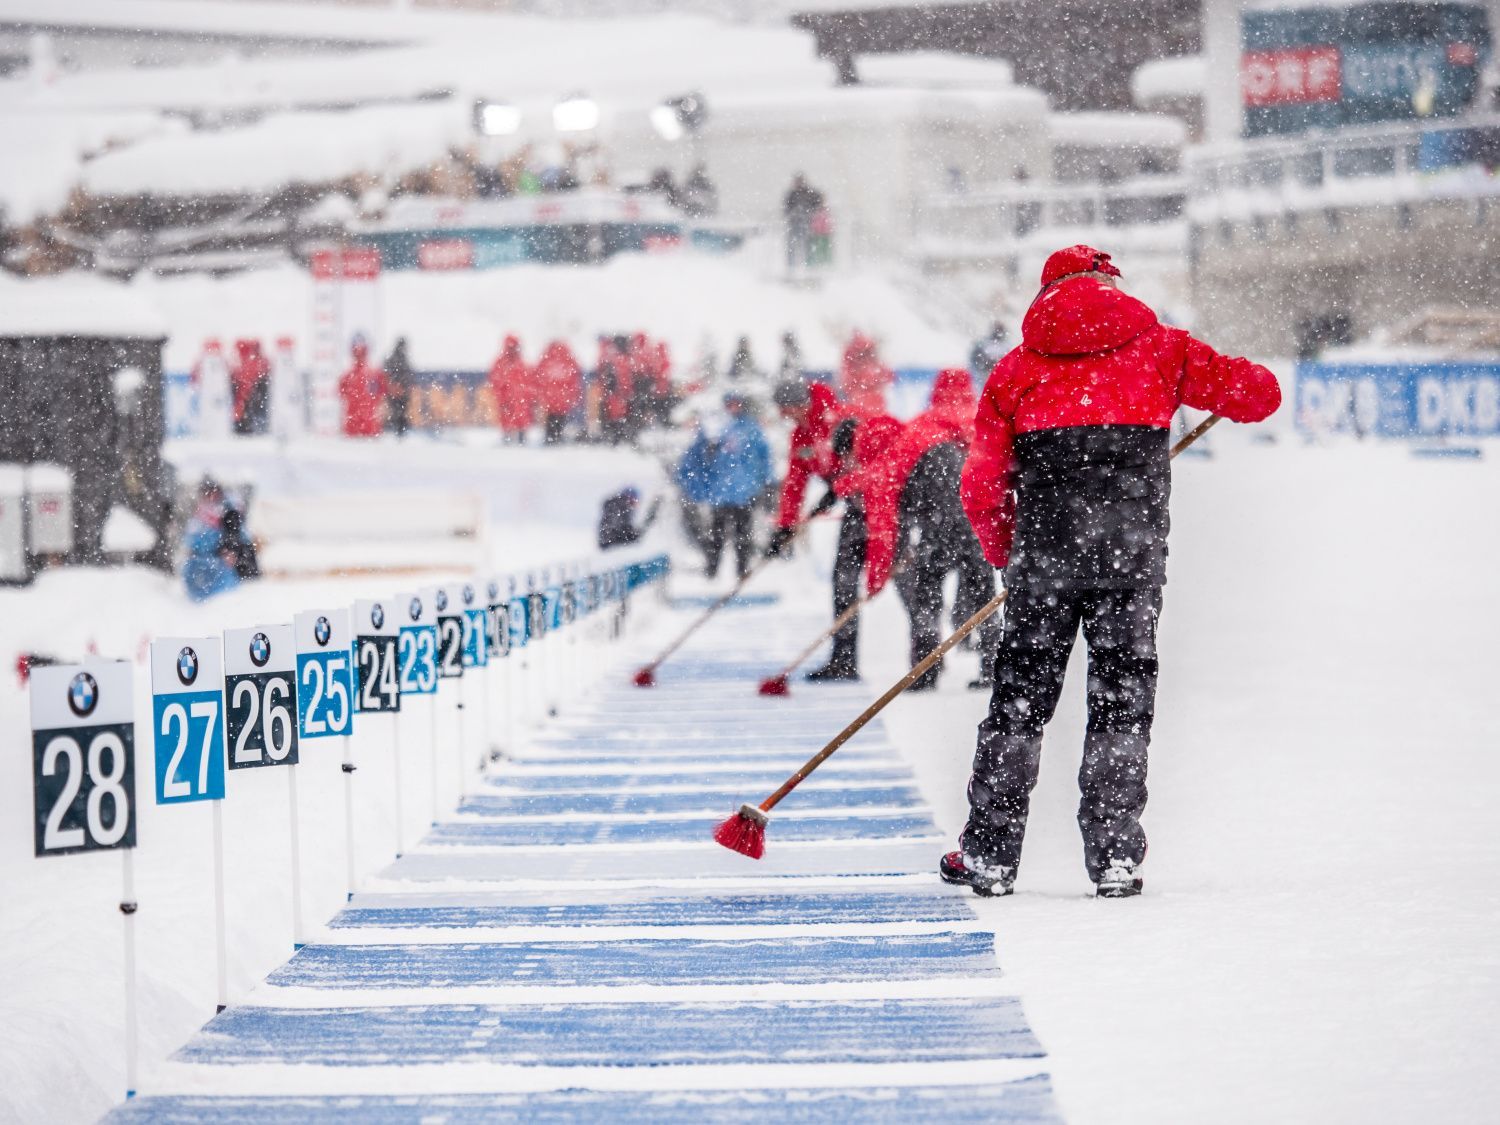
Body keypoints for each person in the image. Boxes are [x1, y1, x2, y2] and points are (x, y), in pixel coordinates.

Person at [943, 245, 1282, 900]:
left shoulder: (1015, 371)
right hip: (1129, 560)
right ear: (1109, 285)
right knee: (1121, 701)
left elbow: (982, 485)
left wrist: (1005, 549)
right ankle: (1114, 853)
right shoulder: (1161, 349)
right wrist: (1240, 382)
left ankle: (989, 852)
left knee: (1019, 703)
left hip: (1043, 558)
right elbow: (1260, 395)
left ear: (1045, 296)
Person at [861, 369, 996, 691]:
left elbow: (884, 515)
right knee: (983, 596)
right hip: (978, 521)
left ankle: (926, 668)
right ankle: (993, 665)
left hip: (939, 526)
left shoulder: (919, 429)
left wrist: (878, 575)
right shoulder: (983, 422)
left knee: (925, 595)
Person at [767, 380, 863, 680]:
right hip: (854, 510)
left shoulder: (844, 419)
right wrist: (785, 526)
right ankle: (844, 660)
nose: (787, 417)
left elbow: (867, 461)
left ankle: (929, 655)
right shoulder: (801, 437)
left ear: (802, 403)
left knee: (908, 585)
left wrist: (842, 487)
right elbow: (795, 483)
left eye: (789, 410)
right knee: (843, 582)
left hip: (881, 502)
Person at [676, 393, 772, 579]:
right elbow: (698, 456)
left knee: (743, 533)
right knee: (716, 534)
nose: (733, 407)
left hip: (744, 491)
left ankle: (742, 570)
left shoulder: (751, 428)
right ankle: (712, 569)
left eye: (737, 403)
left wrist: (766, 481)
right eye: (730, 404)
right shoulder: (717, 427)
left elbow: (764, 456)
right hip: (720, 492)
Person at [181, 478, 254, 601]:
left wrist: (229, 550)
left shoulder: (229, 511)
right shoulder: (200, 513)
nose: (209, 496)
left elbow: (235, 535)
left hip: (220, 563)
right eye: (206, 493)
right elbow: (191, 537)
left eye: (212, 492)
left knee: (222, 595)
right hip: (202, 561)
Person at [534, 340, 583, 444]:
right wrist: (573, 394)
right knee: (560, 418)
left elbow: (538, 377)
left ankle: (551, 437)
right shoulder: (568, 359)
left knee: (551, 418)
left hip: (550, 397)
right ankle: (557, 436)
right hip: (563, 397)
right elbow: (575, 378)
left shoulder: (547, 359)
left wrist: (541, 395)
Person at [338, 337, 388, 438]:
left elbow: (382, 394)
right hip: (356, 427)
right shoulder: (349, 375)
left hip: (368, 427)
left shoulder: (374, 374)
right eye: (357, 353)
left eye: (361, 353)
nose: (359, 356)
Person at [488, 335, 534, 442]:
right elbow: (496, 382)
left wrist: (528, 396)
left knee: (520, 421)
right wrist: (502, 397)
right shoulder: (502, 363)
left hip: (519, 401)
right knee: (508, 421)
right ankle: (509, 440)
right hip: (508, 400)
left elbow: (529, 382)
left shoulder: (520, 363)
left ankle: (520, 440)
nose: (513, 350)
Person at [839, 332, 893, 417]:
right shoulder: (855, 366)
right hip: (862, 404)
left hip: (871, 403)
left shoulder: (874, 364)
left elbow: (889, 376)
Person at [597, 486, 661, 550]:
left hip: (608, 541)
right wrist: (633, 533)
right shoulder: (621, 506)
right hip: (611, 542)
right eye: (634, 501)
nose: (635, 505)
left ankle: (655, 508)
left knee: (639, 532)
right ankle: (656, 506)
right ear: (630, 498)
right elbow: (616, 526)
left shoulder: (615, 505)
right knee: (640, 533)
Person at [783, 173, 824, 269]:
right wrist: (792, 214)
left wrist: (810, 212)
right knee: (792, 246)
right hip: (794, 224)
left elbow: (817, 203)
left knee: (807, 245)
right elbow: (786, 208)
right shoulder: (792, 194)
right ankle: (791, 267)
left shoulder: (809, 193)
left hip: (806, 223)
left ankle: (809, 265)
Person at [230, 339, 270, 436]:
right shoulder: (259, 361)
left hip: (247, 399)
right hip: (253, 398)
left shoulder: (240, 362)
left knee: (246, 418)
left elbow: (241, 380)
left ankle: (245, 426)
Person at [384, 337, 414, 438]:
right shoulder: (403, 359)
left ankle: (396, 429)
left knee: (395, 412)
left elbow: (386, 373)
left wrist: (392, 386)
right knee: (401, 413)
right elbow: (407, 375)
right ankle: (400, 431)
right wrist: (402, 387)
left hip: (393, 391)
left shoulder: (391, 358)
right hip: (400, 391)